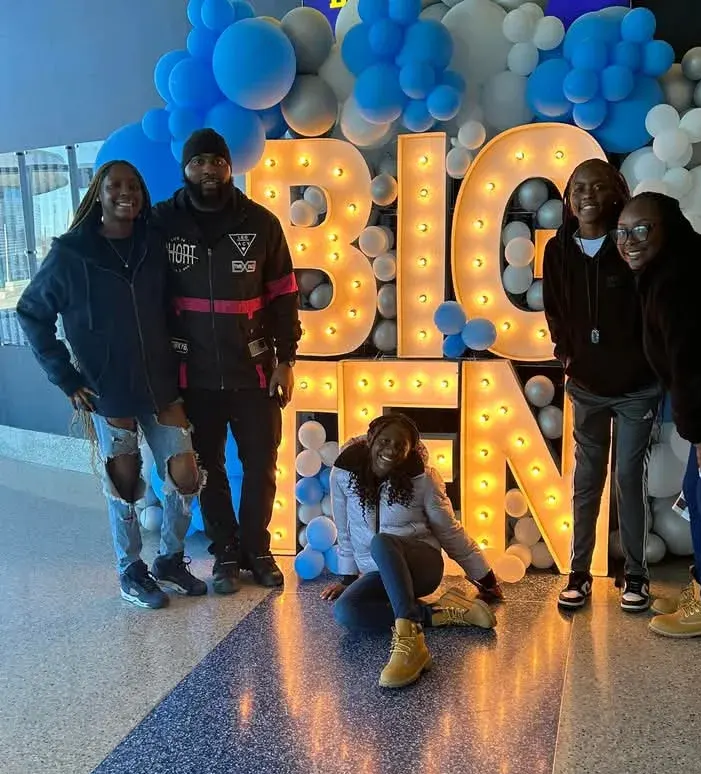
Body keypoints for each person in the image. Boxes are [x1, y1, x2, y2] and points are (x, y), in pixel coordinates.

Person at [16, 161, 206, 609]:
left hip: (161, 382)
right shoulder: (71, 253)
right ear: (98, 194)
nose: (126, 193)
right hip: (109, 387)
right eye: (115, 185)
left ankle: (170, 560)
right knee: (124, 480)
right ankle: (130, 569)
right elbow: (32, 312)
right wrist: (66, 377)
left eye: (134, 185)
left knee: (185, 471)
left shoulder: (152, 242)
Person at [154, 129, 301, 595]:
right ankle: (226, 552)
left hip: (254, 372)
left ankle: (257, 549)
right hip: (191, 375)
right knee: (207, 468)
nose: (208, 170)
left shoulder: (261, 223)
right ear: (185, 168)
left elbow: (284, 296)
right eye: (198, 162)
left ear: (230, 167)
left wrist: (286, 359)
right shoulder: (161, 222)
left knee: (261, 464)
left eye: (216, 161)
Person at [543, 159, 662, 614]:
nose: (586, 195)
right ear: (568, 198)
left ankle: (636, 575)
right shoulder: (558, 249)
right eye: (578, 188)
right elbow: (554, 309)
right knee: (587, 480)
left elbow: (654, 308)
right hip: (586, 387)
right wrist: (567, 355)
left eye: (596, 186)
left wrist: (651, 362)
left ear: (615, 192)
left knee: (628, 478)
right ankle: (579, 573)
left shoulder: (630, 243)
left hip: (636, 389)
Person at [320, 414, 503, 689]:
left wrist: (485, 577)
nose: (391, 449)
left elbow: (449, 530)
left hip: (421, 565)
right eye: (385, 441)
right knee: (346, 611)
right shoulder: (343, 474)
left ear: (410, 450)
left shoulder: (423, 479)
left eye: (400, 445)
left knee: (381, 542)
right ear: (371, 440)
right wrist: (348, 579)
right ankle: (443, 612)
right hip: (380, 571)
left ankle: (411, 641)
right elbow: (344, 527)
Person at [615, 192, 701, 639]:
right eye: (622, 232)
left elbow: (692, 361)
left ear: (669, 227)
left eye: (642, 229)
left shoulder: (679, 278)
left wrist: (695, 431)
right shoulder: (672, 265)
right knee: (697, 491)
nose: (629, 241)